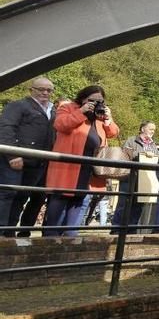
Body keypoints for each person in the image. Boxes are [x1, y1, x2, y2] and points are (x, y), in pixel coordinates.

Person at [44, 85, 119, 237]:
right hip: (67, 168)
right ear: (83, 98)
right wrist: (81, 111)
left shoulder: (100, 115)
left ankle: (70, 247)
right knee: (56, 211)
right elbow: (60, 125)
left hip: (89, 172)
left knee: (77, 213)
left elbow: (113, 133)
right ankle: (49, 246)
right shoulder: (68, 107)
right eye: (92, 100)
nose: (96, 104)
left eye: (100, 101)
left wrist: (108, 119)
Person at [0, 77, 56, 237]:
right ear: (31, 90)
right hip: (15, 161)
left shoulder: (52, 111)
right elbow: (5, 129)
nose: (45, 93)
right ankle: (2, 233)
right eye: (40, 89)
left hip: (37, 163)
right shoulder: (18, 106)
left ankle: (9, 234)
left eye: (49, 90)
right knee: (7, 195)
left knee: (21, 197)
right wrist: (13, 155)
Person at [111, 120, 159, 229]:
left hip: (144, 179)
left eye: (154, 130)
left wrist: (153, 151)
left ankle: (132, 229)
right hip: (129, 177)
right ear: (143, 129)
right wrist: (141, 154)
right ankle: (116, 229)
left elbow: (157, 157)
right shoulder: (131, 140)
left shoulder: (152, 144)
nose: (153, 131)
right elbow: (124, 155)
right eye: (150, 129)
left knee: (139, 205)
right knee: (123, 204)